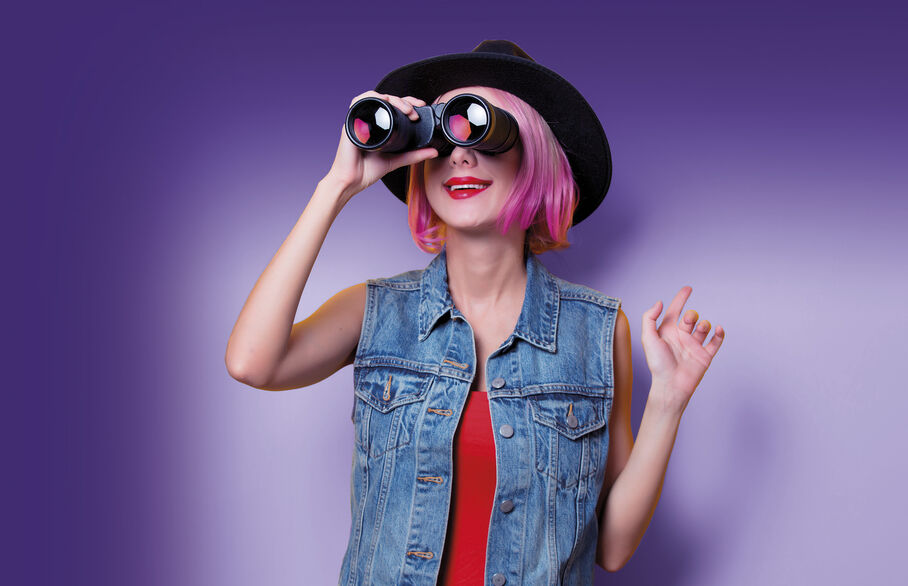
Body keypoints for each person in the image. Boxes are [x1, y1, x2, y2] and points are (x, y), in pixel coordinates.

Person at [225, 40, 725, 585]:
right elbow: (252, 362)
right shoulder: (375, 311)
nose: (459, 155)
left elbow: (611, 547)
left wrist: (668, 403)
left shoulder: (597, 330)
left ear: (534, 160)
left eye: (481, 133)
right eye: (441, 138)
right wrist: (336, 187)